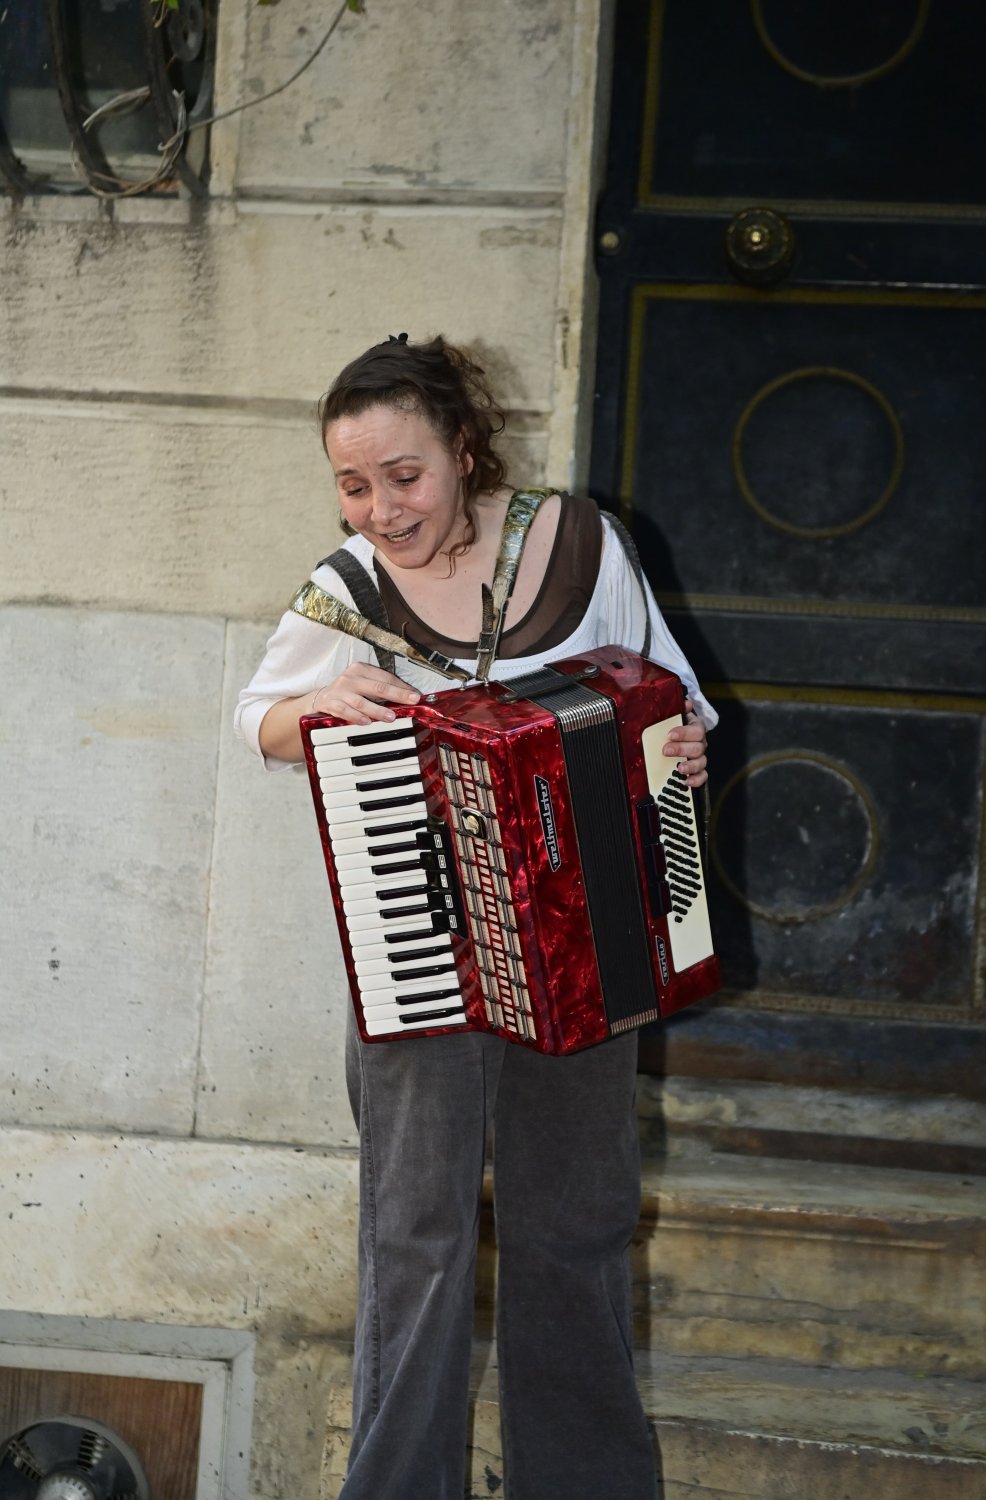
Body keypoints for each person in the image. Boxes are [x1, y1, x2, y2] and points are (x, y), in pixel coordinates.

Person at [235, 333, 716, 1500]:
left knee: (577, 1228)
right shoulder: (345, 590)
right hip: (420, 945)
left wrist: (684, 748)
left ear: (462, 448)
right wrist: (314, 705)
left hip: (583, 950)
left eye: (402, 476)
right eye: (353, 483)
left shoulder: (584, 543)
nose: (379, 507)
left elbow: (671, 693)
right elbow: (255, 718)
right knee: (418, 1240)